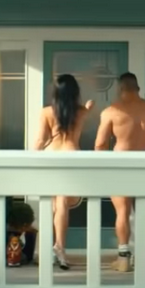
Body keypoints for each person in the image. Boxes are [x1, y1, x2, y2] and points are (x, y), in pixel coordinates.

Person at [95, 72, 145, 272]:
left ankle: (124, 258)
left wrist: (101, 168)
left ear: (120, 88)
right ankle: (143, 255)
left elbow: (100, 144)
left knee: (122, 211)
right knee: (144, 210)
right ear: (138, 88)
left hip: (120, 164)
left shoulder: (111, 112)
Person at [33, 74, 94, 270]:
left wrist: (31, 159)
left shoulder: (46, 112)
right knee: (61, 204)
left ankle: (49, 249)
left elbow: (40, 140)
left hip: (51, 156)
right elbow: (85, 112)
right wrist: (89, 107)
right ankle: (59, 248)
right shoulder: (81, 112)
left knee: (53, 204)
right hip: (71, 156)